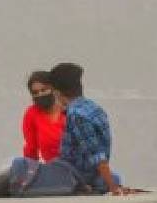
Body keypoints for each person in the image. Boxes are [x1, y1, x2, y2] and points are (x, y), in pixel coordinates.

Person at [0, 71, 69, 198]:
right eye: (35, 92)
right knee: (8, 177)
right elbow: (31, 148)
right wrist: (27, 173)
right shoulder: (32, 114)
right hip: (50, 170)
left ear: (53, 89)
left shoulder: (70, 113)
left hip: (71, 170)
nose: (40, 94)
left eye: (44, 90)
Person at [48, 62, 127, 196]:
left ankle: (86, 187)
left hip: (75, 175)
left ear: (57, 92)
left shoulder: (76, 115)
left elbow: (97, 155)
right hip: (93, 175)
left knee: (20, 166)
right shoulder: (94, 107)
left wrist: (113, 187)